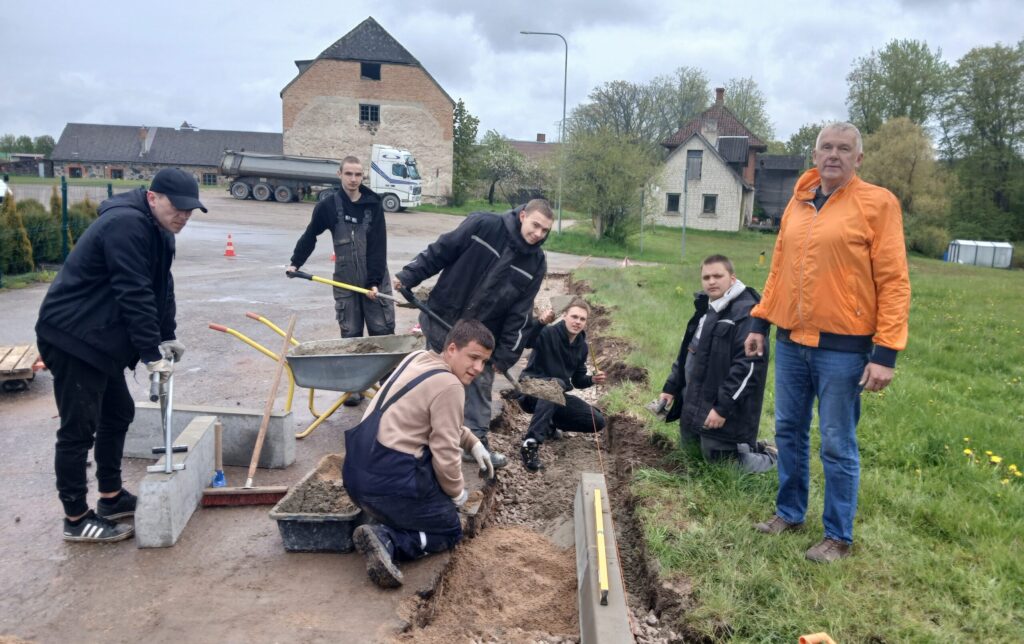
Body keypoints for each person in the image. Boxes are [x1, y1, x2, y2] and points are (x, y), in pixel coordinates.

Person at [744, 122, 911, 563]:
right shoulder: (797, 204)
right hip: (792, 342)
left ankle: (838, 536)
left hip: (845, 349)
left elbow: (894, 281)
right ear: (814, 155)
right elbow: (778, 270)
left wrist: (886, 352)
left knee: (837, 443)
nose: (833, 155)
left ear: (858, 158)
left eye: (844, 148)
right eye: (826, 148)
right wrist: (761, 323)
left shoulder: (878, 204)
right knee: (788, 432)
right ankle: (790, 513)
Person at [36, 167, 205, 543]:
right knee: (78, 428)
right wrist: (150, 354)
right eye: (177, 208)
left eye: (190, 211)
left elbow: (161, 286)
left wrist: (167, 335)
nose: (183, 217)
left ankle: (111, 498)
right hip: (72, 336)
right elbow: (133, 292)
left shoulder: (161, 231)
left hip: (100, 338)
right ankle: (76, 518)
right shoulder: (126, 226)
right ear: (152, 197)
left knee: (118, 412)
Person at [393, 199, 555, 469]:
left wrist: (504, 355)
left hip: (483, 332)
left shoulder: (536, 263)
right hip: (443, 317)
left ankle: (474, 442)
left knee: (479, 384)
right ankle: (413, 435)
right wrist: (410, 275)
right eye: (535, 225)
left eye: (545, 231)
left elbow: (520, 313)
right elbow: (442, 250)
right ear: (523, 215)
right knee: (431, 377)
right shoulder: (484, 224)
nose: (538, 234)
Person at [344, 319, 496, 588]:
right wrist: (457, 493)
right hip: (387, 481)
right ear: (452, 349)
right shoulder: (450, 385)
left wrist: (473, 442)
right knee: (449, 528)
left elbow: (435, 418)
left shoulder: (419, 358)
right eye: (473, 358)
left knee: (430, 482)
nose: (477, 368)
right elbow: (445, 451)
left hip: (357, 472)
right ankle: (388, 539)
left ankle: (387, 512)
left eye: (483, 361)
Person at [286, 156, 394, 406]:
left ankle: (388, 386)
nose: (353, 179)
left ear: (362, 177)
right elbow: (310, 235)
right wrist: (296, 263)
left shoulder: (373, 204)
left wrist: (374, 283)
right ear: (339, 174)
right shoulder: (328, 205)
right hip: (345, 280)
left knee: (381, 333)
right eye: (349, 174)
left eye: (358, 175)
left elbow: (379, 247)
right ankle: (353, 387)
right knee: (350, 333)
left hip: (374, 280)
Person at [658, 255, 775, 473]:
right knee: (690, 452)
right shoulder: (705, 309)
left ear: (732, 278)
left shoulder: (747, 314)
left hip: (727, 409)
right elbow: (687, 354)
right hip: (696, 403)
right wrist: (671, 388)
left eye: (718, 276)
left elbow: (748, 370)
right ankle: (746, 447)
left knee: (720, 463)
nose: (711, 281)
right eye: (706, 277)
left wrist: (722, 409)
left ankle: (773, 457)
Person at [518, 298, 606, 472]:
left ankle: (549, 423)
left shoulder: (582, 346)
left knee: (597, 420)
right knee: (556, 384)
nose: (577, 322)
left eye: (582, 319)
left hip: (554, 395)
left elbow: (578, 380)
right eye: (574, 317)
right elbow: (526, 341)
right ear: (565, 316)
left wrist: (592, 380)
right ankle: (530, 444)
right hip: (529, 389)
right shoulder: (548, 333)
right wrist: (540, 322)